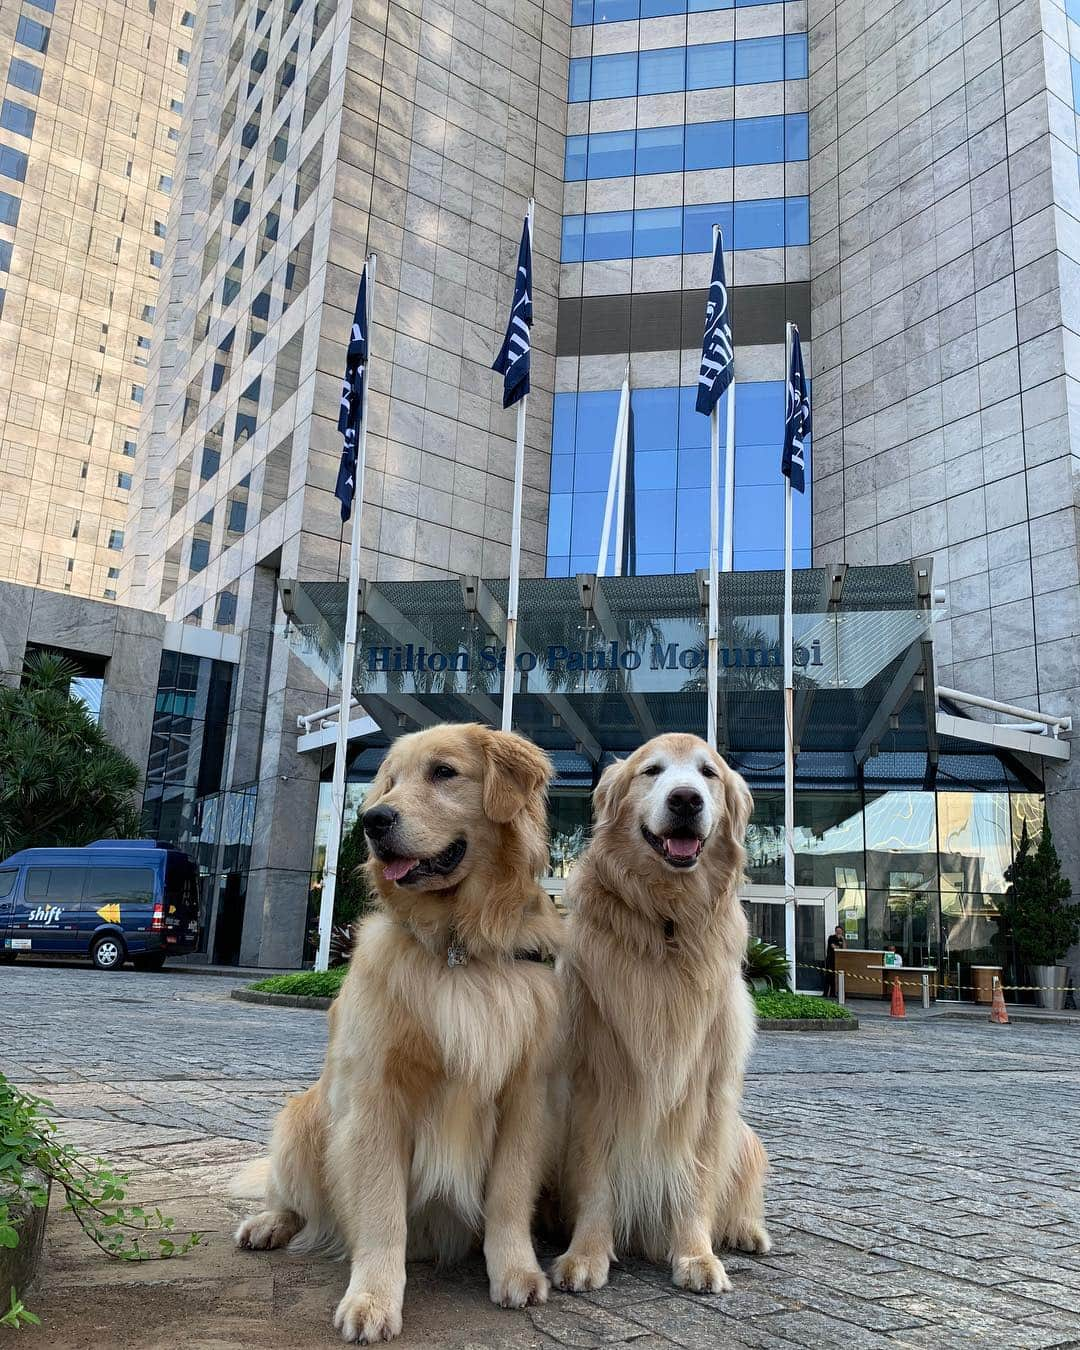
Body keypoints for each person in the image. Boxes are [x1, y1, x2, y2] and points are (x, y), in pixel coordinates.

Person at [824, 924, 845, 998]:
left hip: (838, 961)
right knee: (828, 975)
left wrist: (843, 940)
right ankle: (825, 993)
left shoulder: (842, 939)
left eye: (840, 931)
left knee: (834, 977)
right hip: (830, 959)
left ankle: (833, 993)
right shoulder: (831, 937)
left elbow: (845, 949)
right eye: (837, 931)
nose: (839, 932)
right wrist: (839, 947)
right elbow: (833, 947)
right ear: (835, 931)